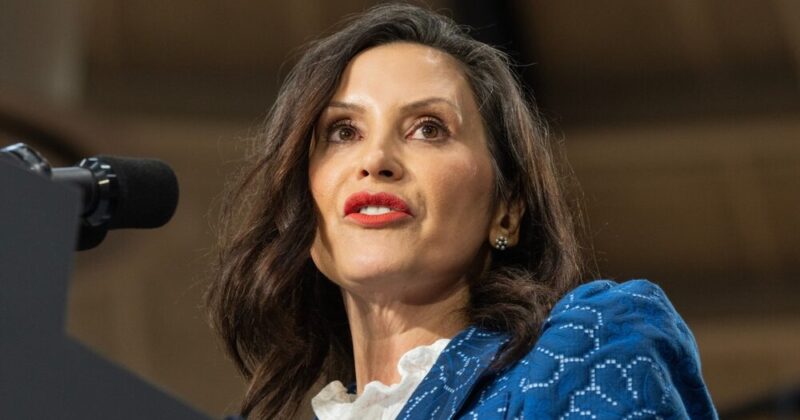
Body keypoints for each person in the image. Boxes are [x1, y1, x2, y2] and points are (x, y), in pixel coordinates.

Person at [207, 3, 717, 419]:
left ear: (506, 209)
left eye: (428, 129)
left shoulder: (589, 347)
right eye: (343, 132)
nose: (375, 159)